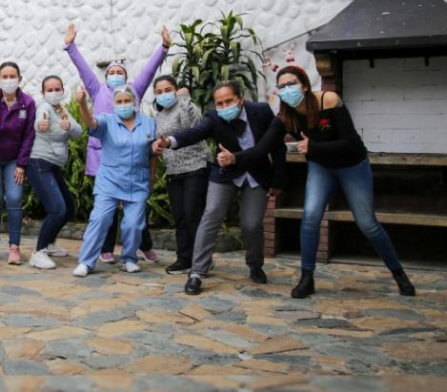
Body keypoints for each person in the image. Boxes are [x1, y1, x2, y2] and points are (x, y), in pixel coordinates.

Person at [224, 66, 416, 298]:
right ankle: (307, 278)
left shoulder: (328, 100)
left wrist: (313, 146)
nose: (287, 90)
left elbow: (351, 142)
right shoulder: (285, 117)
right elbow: (262, 148)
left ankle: (399, 275)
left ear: (304, 85)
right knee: (310, 217)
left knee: (367, 223)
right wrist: (234, 158)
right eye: (282, 86)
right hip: (321, 168)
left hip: (352, 166)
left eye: (291, 84)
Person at [154, 80, 287, 295]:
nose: (224, 107)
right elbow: (195, 133)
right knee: (211, 214)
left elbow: (277, 147)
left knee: (251, 224)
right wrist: (169, 141)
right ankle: (197, 272)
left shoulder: (261, 111)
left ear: (241, 99)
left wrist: (278, 181)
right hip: (225, 173)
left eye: (229, 101)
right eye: (220, 103)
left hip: (257, 173)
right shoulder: (213, 117)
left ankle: (255, 265)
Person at [64, 23, 168, 263]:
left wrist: (163, 48)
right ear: (105, 76)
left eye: (120, 71)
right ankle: (106, 249)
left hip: (132, 158)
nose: (115, 75)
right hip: (102, 159)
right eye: (111, 72)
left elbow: (149, 71)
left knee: (134, 208)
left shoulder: (134, 91)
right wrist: (70, 46)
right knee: (106, 208)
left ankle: (143, 246)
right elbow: (82, 68)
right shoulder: (97, 89)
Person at [73, 85, 157, 277]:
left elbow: (153, 154)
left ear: (135, 102)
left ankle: (129, 258)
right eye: (119, 101)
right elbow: (91, 123)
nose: (124, 104)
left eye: (127, 101)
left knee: (134, 224)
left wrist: (151, 180)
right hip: (109, 182)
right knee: (100, 219)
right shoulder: (107, 121)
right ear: (113, 104)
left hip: (138, 182)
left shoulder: (149, 123)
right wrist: (82, 104)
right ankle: (86, 262)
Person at [150, 76, 209, 276]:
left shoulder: (188, 107)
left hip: (195, 166)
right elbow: (157, 139)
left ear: (176, 90)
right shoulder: (158, 117)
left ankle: (202, 261)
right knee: (181, 218)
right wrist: (155, 145)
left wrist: (184, 99)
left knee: (194, 215)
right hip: (174, 171)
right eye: (158, 92)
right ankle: (184, 259)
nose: (163, 94)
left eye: (168, 89)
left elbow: (192, 127)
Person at [0, 61, 36, 264]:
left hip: (14, 160)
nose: (9, 80)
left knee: (14, 197)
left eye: (13, 77)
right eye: (5, 76)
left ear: (20, 79)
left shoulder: (27, 103)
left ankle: (14, 246)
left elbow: (29, 135)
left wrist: (21, 163)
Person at [26, 75, 83, 269]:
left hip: (53, 166)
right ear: (43, 93)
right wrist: (40, 125)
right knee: (57, 208)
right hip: (39, 163)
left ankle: (49, 244)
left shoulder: (63, 110)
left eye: (57, 88)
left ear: (63, 90)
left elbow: (79, 132)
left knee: (69, 207)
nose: (54, 92)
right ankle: (38, 252)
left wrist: (70, 126)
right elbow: (40, 122)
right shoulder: (44, 108)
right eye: (49, 90)